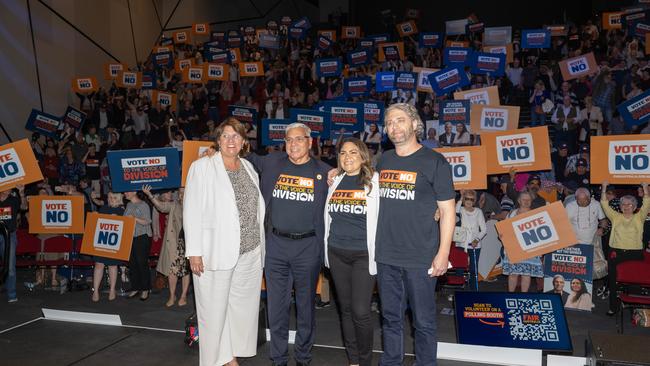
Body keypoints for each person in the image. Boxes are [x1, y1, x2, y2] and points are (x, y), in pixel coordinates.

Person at [375, 103, 455, 366]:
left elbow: (447, 212)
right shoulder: (383, 159)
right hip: (386, 256)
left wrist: (443, 254)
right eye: (389, 123)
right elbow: (356, 178)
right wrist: (333, 173)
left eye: (399, 120)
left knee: (424, 323)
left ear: (414, 124)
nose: (394, 127)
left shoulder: (435, 161)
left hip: (421, 258)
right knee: (391, 319)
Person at [246, 122, 332, 366]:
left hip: (308, 248)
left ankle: (303, 357)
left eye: (299, 139)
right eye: (289, 140)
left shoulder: (326, 173)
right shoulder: (272, 163)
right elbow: (244, 154)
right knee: (277, 307)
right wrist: (211, 151)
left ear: (310, 142)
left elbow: (359, 182)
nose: (293, 144)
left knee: (306, 308)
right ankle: (278, 358)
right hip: (275, 246)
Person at [184, 117, 266, 366]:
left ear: (243, 142)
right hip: (214, 252)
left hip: (249, 252)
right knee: (213, 311)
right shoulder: (202, 167)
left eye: (236, 136)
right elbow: (191, 210)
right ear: (218, 140)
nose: (231, 140)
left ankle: (229, 356)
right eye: (226, 135)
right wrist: (194, 252)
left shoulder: (249, 169)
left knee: (239, 310)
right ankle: (213, 360)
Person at [324, 138, 379, 366]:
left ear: (363, 156)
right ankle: (353, 360)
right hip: (336, 252)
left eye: (353, 152)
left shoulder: (375, 181)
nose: (348, 157)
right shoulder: (335, 180)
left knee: (360, 311)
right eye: (344, 153)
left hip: (363, 256)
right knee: (345, 310)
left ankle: (365, 361)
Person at [600, 181, 650, 315]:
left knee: (635, 280)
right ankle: (613, 308)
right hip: (616, 252)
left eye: (629, 204)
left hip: (635, 253)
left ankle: (637, 309)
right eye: (623, 204)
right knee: (613, 280)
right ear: (620, 206)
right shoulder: (615, 217)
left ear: (634, 206)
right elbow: (604, 204)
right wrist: (604, 187)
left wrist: (645, 188)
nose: (626, 206)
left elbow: (647, 202)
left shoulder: (639, 217)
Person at [143, 186, 190, 307]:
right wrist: (150, 195)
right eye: (179, 193)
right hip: (175, 242)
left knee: (186, 270)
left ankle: (183, 295)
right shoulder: (174, 205)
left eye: (184, 193)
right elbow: (161, 207)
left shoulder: (196, 206)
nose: (181, 195)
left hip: (190, 242)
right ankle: (172, 295)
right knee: (171, 269)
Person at [500, 191, 544, 292]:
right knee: (513, 274)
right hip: (514, 248)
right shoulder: (512, 214)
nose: (526, 202)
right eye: (524, 199)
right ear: (519, 201)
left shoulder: (536, 215)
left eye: (528, 200)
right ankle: (510, 295)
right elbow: (505, 230)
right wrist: (502, 235)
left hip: (530, 249)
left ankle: (524, 296)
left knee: (526, 274)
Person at [91, 192, 125, 302]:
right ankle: (95, 291)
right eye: (109, 197)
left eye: (114, 197)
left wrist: (118, 219)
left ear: (119, 198)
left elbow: (126, 228)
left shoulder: (122, 210)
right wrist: (95, 216)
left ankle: (112, 289)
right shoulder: (104, 208)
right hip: (101, 241)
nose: (111, 199)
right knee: (98, 265)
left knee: (113, 266)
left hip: (114, 243)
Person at [124, 190, 153, 301]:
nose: (124, 193)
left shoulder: (143, 204)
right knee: (132, 263)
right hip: (130, 237)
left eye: (127, 192)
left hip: (142, 236)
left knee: (142, 263)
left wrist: (134, 218)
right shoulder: (129, 204)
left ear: (134, 192)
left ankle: (145, 289)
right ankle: (135, 287)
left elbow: (148, 221)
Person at [0, 185, 27, 303]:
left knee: (10, 267)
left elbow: (24, 207)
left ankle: (11, 293)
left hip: (9, 236)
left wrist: (21, 193)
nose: (10, 188)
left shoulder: (13, 199)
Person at [456, 190, 486, 291]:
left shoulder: (478, 211)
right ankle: (459, 292)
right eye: (466, 198)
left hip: (475, 245)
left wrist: (476, 240)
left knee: (473, 270)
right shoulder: (461, 210)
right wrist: (460, 197)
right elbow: (455, 212)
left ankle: (473, 292)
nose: (469, 201)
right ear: (464, 200)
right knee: (460, 269)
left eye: (471, 199)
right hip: (461, 244)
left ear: (475, 201)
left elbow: (484, 229)